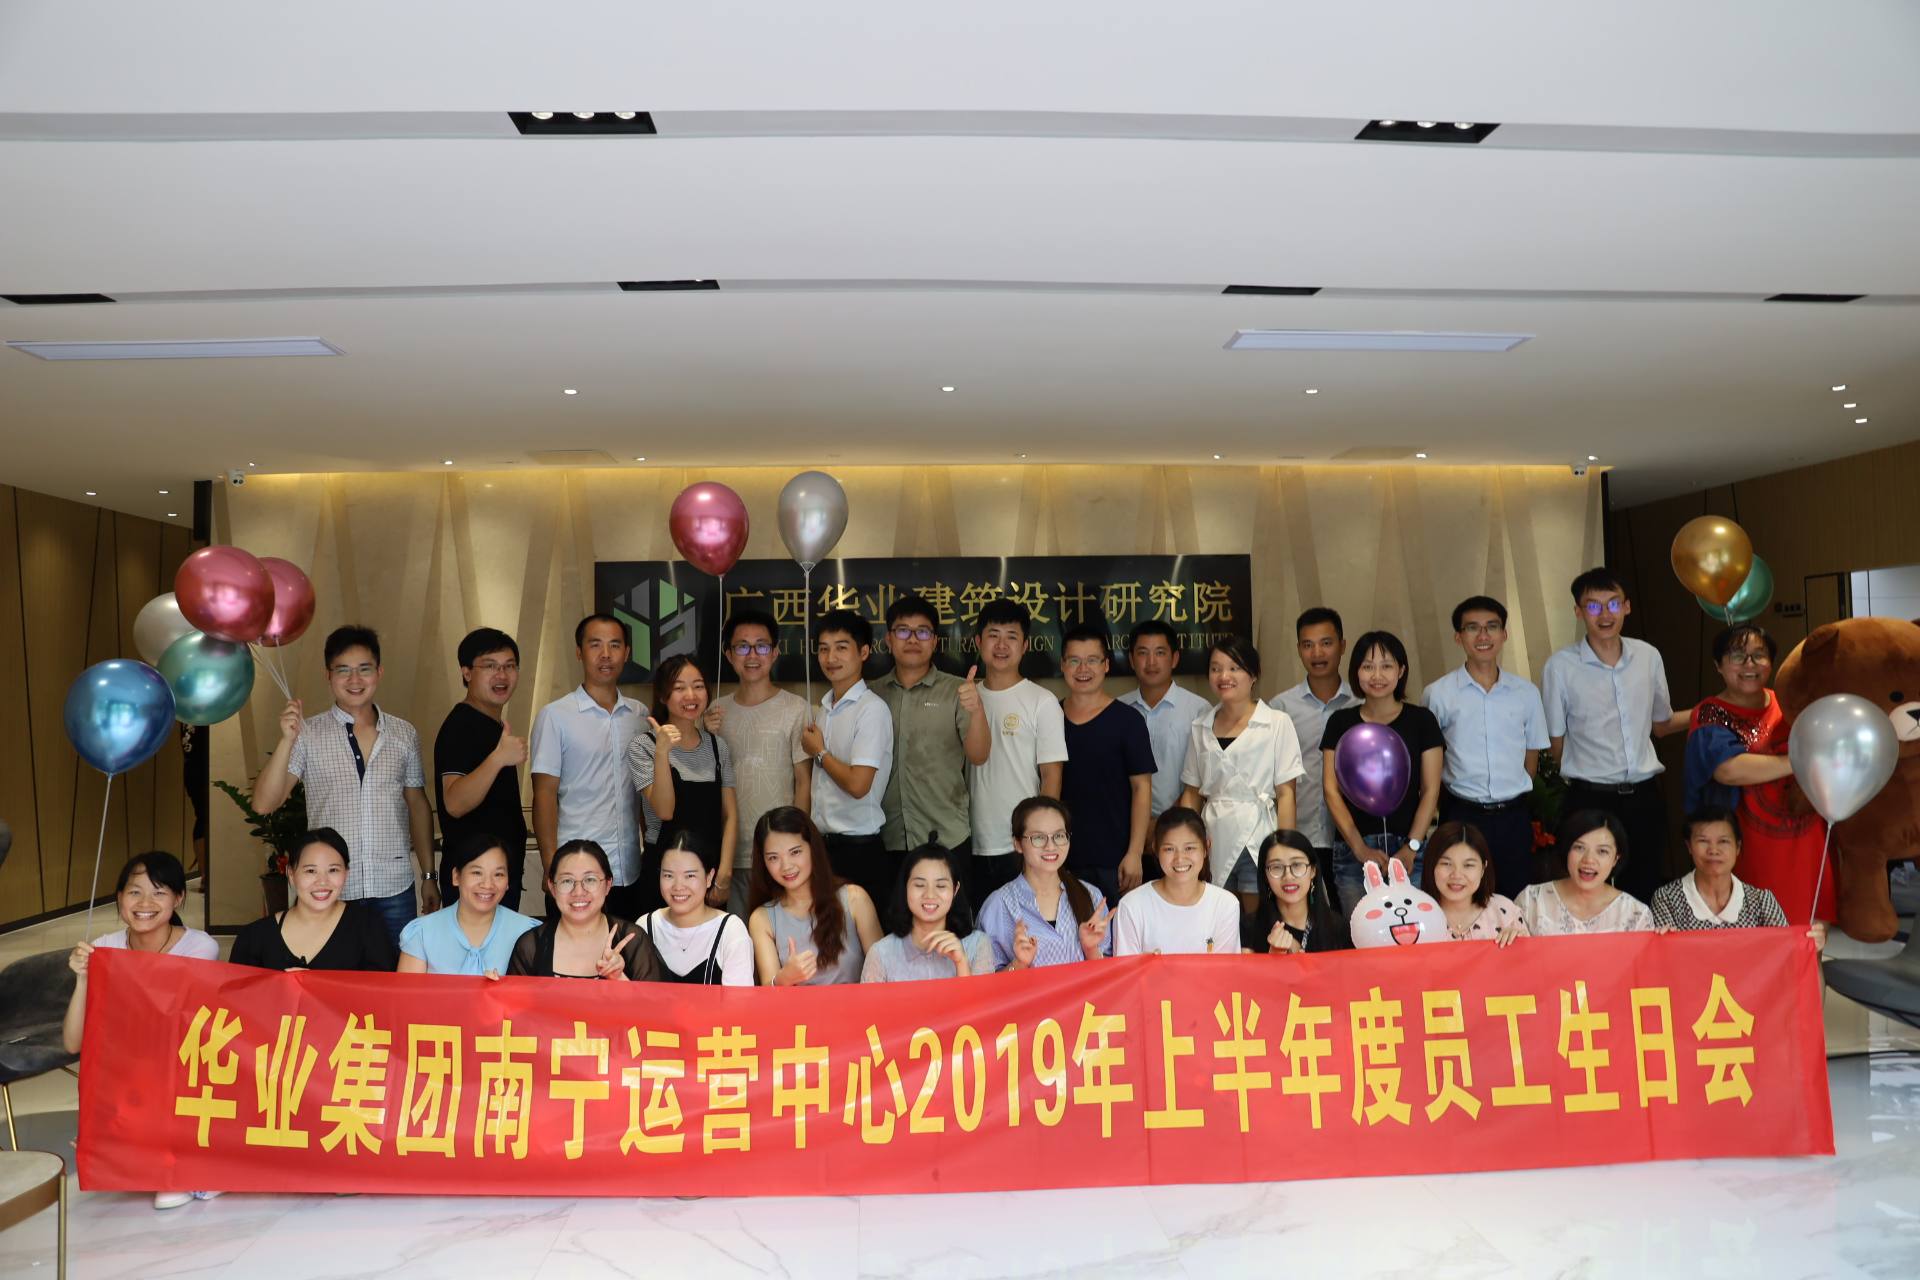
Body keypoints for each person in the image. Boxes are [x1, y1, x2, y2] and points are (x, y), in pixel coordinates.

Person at [251, 625, 434, 945]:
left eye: (364, 669)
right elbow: (264, 804)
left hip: (393, 888)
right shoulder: (308, 734)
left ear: (379, 672)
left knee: (396, 972)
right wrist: (287, 740)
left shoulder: (404, 734)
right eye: (343, 670)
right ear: (328, 675)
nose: (354, 679)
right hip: (330, 890)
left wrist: (429, 876)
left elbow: (417, 805)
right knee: (332, 973)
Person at [62, 850, 221, 1210]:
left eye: (159, 892)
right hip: (131, 1077)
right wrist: (84, 979)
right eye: (134, 892)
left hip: (180, 1071)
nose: (145, 903)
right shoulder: (105, 948)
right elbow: (73, 1042)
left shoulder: (199, 947)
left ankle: (176, 1162)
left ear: (178, 898)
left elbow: (173, 1032)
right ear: (119, 897)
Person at [1543, 569, 1681, 902]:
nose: (1604, 614)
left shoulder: (1648, 657)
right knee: (1587, 891)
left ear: (1627, 607)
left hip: (1643, 796)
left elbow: (1661, 724)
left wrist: (1713, 709)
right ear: (1578, 612)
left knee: (1643, 887)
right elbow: (1555, 743)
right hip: (1589, 798)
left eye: (1613, 604)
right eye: (1593, 606)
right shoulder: (1560, 667)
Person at [1683, 624, 1832, 924]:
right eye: (1737, 656)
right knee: (1756, 932)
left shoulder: (1789, 703)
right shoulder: (1710, 712)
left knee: (1808, 933)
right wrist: (1801, 761)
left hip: (1804, 839)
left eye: (1759, 655)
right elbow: (1729, 769)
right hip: (1747, 846)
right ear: (1718, 665)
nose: (1749, 664)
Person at [1424, 597, 1550, 896]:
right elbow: (1431, 760)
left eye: (1491, 627)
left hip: (1513, 816)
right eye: (1473, 628)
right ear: (1459, 637)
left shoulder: (1526, 693)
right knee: (1461, 896)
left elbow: (1531, 759)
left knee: (1514, 898)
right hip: (1462, 813)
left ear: (1504, 634)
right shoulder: (1438, 694)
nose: (1483, 635)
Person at [531, 614, 647, 919]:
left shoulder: (639, 715)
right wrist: (550, 865)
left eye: (615, 645)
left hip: (629, 869)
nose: (605, 654)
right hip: (576, 874)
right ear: (579, 652)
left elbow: (644, 792)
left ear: (627, 653)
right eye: (595, 645)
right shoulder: (555, 716)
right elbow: (544, 795)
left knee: (627, 947)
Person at [1322, 629, 1445, 913]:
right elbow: (1331, 790)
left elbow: (1431, 790)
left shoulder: (1422, 720)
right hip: (1353, 853)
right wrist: (1359, 848)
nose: (1377, 675)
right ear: (1356, 672)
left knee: (1413, 929)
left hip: (1410, 849)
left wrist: (1412, 847)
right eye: (1368, 666)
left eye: (1386, 666)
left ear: (1401, 670)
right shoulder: (1340, 722)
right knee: (1361, 932)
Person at [1178, 638, 1303, 910]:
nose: (1224, 676)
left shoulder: (1276, 723)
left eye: (1234, 668)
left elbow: (1286, 794)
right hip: (1212, 838)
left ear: (1253, 674)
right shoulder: (1200, 726)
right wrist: (1186, 842)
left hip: (1258, 836)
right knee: (1216, 916)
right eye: (1216, 668)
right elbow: (1192, 792)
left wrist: (1285, 849)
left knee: (1256, 919)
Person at [875, 593, 988, 894]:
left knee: (952, 922)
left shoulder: (957, 690)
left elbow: (978, 755)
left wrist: (977, 710)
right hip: (888, 837)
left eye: (923, 632)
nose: (913, 639)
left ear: (935, 641)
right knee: (892, 922)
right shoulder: (872, 694)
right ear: (888, 639)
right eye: (903, 631)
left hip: (947, 836)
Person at [706, 607, 812, 916]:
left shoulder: (796, 708)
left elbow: (803, 782)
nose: (752, 655)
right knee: (738, 937)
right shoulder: (715, 712)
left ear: (775, 652)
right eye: (742, 647)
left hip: (779, 853)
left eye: (762, 646)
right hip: (731, 852)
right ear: (728, 655)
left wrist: (797, 845)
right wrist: (704, 732)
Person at [965, 599, 1068, 908]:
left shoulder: (1042, 701)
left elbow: (1051, 777)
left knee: (1024, 927)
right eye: (993, 635)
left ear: (1025, 646)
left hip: (1020, 843)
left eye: (1011, 636)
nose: (1001, 645)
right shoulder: (965, 697)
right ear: (978, 642)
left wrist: (1040, 838)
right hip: (969, 840)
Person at [627, 655, 737, 914]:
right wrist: (662, 753)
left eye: (698, 686)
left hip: (708, 872)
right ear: (663, 696)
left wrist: (724, 873)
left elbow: (730, 815)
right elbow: (664, 810)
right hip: (663, 870)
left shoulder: (717, 746)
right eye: (679, 688)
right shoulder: (643, 746)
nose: (691, 695)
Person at [800, 609, 894, 905]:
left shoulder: (871, 709)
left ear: (863, 652)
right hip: (822, 847)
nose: (831, 658)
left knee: (862, 931)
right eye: (823, 649)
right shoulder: (824, 709)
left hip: (858, 850)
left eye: (841, 648)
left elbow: (858, 785)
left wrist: (820, 752)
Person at [1058, 625, 1157, 905]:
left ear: (1106, 665)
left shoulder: (1128, 721)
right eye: (1074, 660)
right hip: (1061, 858)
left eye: (1092, 660)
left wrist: (1135, 853)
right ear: (1062, 665)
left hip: (1116, 860)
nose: (1083, 669)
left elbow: (1142, 789)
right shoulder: (1049, 716)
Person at [433, 627, 529, 912]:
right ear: (466, 673)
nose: (502, 675)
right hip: (474, 880)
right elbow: (454, 802)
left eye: (509, 666)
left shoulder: (490, 724)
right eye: (489, 666)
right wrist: (498, 758)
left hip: (496, 876)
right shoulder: (461, 725)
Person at [1270, 607, 1360, 893]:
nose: (1317, 653)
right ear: (1298, 649)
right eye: (1308, 645)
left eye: (1326, 643)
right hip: (1299, 833)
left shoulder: (1361, 704)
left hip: (1353, 837)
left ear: (1342, 646)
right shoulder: (1280, 708)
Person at [1652, 807, 1827, 945]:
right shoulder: (1667, 899)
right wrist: (1662, 944)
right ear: (1689, 847)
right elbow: (1664, 966)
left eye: (1723, 841)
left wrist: (1809, 943)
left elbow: (1786, 953)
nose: (1713, 850)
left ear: (1738, 847)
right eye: (1703, 841)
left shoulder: (1761, 902)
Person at [231, 827, 400, 970]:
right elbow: (237, 996)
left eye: (333, 870)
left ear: (346, 874)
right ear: (291, 874)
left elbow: (382, 992)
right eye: (310, 871)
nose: (322, 882)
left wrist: (317, 985)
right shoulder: (254, 937)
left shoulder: (368, 927)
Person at [748, 806, 883, 986]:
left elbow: (884, 972)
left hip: (857, 1004)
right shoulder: (761, 918)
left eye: (795, 852)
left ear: (813, 848)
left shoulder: (855, 899)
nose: (786, 866)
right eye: (773, 858)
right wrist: (783, 979)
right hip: (795, 1006)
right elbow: (768, 988)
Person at [978, 796, 1112, 970]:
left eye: (1059, 835)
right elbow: (984, 981)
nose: (1050, 846)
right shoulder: (998, 905)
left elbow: (1111, 976)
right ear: (1017, 844)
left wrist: (1091, 949)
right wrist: (1019, 963)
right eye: (1038, 837)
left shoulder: (1091, 895)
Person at [506, 839, 663, 980]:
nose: (578, 892)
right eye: (567, 881)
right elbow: (512, 1002)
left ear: (608, 885)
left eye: (590, 880)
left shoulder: (631, 941)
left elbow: (653, 1002)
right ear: (552, 887)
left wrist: (620, 979)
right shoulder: (531, 945)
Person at [397, 829, 539, 976]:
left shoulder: (529, 933)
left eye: (498, 874)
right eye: (477, 873)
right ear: (456, 877)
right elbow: (408, 991)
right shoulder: (422, 933)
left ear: (508, 881)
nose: (487, 884)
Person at [1113, 808, 1241, 955]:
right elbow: (1125, 968)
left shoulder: (1225, 905)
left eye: (1189, 848)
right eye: (1169, 849)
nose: (1179, 859)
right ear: (1155, 849)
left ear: (1206, 848)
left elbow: (1225, 967)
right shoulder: (1132, 906)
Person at [1117, 620, 1211, 820]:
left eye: (1160, 653)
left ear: (1174, 658)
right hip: (1126, 824)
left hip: (1181, 823)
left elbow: (1203, 777)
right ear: (1131, 660)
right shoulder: (1117, 709)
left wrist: (1165, 823)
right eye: (1143, 653)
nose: (1151, 662)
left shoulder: (1198, 710)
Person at [861, 842, 995, 981]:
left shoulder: (977, 944)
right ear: (905, 887)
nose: (930, 895)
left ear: (955, 890)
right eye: (920, 885)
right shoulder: (881, 953)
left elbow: (984, 996)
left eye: (941, 886)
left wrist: (961, 963)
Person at [637, 831, 755, 985]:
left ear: (709, 877)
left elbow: (739, 999)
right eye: (668, 875)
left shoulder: (731, 931)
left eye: (690, 876)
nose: (678, 886)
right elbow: (637, 995)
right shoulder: (646, 927)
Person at [1514, 810, 1656, 935]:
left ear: (1615, 859)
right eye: (1579, 848)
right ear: (1567, 850)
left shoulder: (1635, 914)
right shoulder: (1532, 901)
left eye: (1602, 851)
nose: (1589, 860)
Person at [1243, 829, 1351, 954]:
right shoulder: (1249, 928)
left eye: (1297, 865)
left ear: (1313, 871)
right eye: (1276, 867)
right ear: (1265, 876)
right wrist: (1273, 958)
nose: (1288, 876)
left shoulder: (1338, 928)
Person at [1421, 821, 1527, 944]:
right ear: (1431, 865)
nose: (1457, 875)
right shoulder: (1414, 915)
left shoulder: (1505, 913)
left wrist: (1521, 944)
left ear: (1483, 869)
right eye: (1446, 863)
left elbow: (1530, 955)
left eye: (1468, 865)